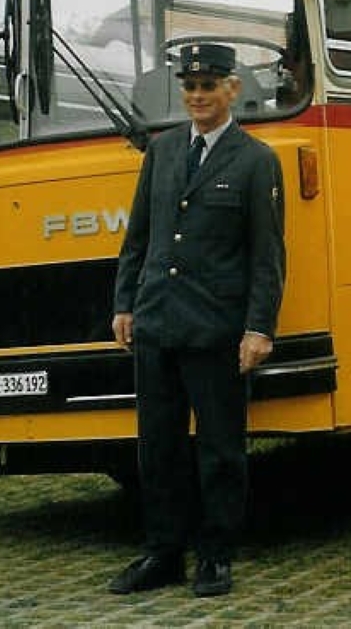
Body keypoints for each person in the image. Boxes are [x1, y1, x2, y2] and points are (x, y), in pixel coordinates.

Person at [108, 42, 286, 598]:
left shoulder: (257, 161)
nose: (198, 96)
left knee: (219, 449)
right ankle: (163, 552)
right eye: (190, 87)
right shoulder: (161, 154)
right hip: (158, 323)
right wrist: (124, 304)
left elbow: (268, 256)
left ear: (231, 89)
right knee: (156, 448)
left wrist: (259, 328)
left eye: (209, 86)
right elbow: (138, 237)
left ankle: (215, 554)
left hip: (215, 330)